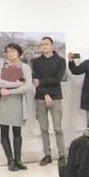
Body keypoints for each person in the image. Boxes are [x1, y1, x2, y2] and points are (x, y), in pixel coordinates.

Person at [0, 43, 35, 171]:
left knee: (17, 132)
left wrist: (10, 90)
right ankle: (10, 161)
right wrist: (16, 84)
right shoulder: (1, 63)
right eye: (8, 51)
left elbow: (28, 86)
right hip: (3, 102)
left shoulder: (25, 67)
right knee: (4, 132)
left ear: (19, 52)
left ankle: (18, 160)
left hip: (17, 101)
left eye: (13, 51)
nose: (10, 53)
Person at [31, 36, 67, 166]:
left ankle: (62, 155)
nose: (44, 46)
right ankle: (47, 155)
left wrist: (41, 82)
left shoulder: (61, 61)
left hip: (56, 96)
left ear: (52, 46)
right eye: (42, 44)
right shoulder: (36, 62)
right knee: (43, 128)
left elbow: (57, 79)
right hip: (41, 97)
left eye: (46, 44)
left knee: (58, 128)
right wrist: (45, 94)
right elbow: (35, 81)